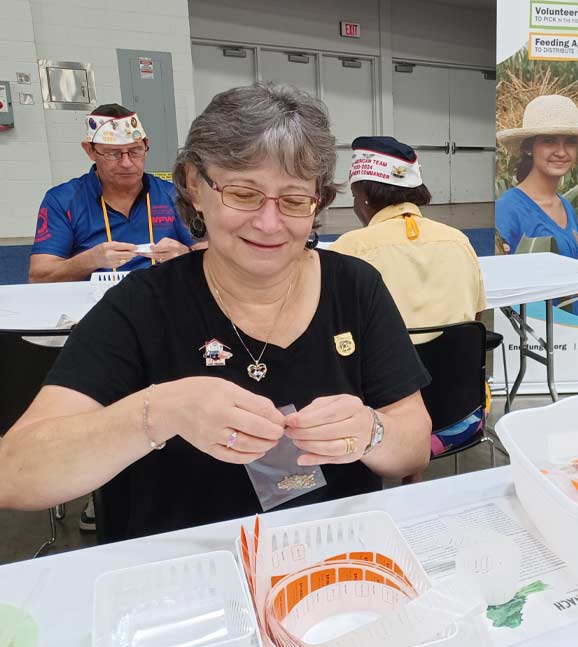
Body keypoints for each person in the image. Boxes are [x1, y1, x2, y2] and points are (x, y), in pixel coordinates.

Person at [0, 84, 432, 540]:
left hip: (332, 563)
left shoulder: (354, 287)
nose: (269, 223)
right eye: (243, 194)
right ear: (193, 185)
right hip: (183, 576)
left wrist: (372, 430)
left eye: (293, 200)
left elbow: (413, 448)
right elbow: (15, 473)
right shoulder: (143, 306)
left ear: (318, 202)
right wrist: (158, 411)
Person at [330, 136, 488, 459]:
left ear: (361, 195)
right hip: (461, 415)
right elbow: (476, 321)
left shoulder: (350, 249)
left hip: (383, 426)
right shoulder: (459, 242)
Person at [330, 136, 486, 331]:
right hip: (456, 361)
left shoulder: (350, 248)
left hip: (384, 361)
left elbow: (332, 320)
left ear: (366, 197)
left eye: (355, 196)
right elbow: (475, 316)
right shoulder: (459, 242)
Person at [29, 103, 197, 282]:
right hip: (95, 301)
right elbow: (39, 276)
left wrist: (186, 255)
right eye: (113, 154)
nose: (126, 163)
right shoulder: (63, 200)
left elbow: (213, 253)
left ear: (146, 145)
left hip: (163, 295)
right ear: (90, 150)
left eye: (135, 151)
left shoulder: (172, 194)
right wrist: (89, 260)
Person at [495, 94, 578, 318]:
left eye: (570, 142)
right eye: (549, 141)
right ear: (529, 148)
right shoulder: (507, 210)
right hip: (534, 341)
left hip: (571, 333)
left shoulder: (566, 206)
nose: (562, 152)